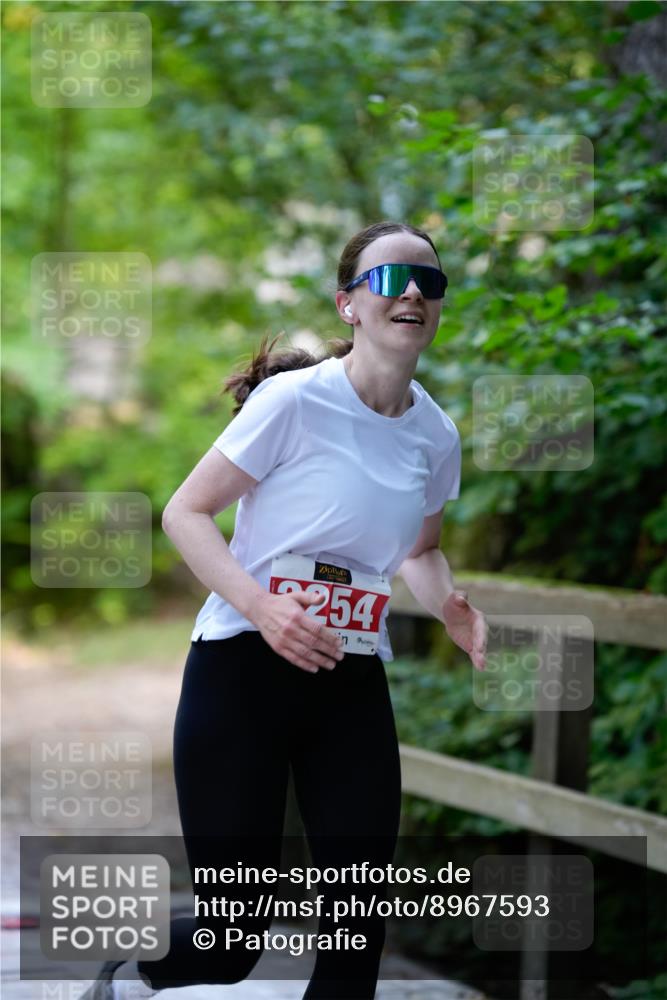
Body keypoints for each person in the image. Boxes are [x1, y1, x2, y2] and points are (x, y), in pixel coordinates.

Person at [83, 221, 487, 1000]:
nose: (411, 291)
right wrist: (263, 608)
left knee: (354, 937)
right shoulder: (294, 401)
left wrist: (448, 607)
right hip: (242, 671)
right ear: (348, 304)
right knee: (233, 938)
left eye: (429, 281)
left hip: (349, 679)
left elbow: (421, 549)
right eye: (388, 278)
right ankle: (131, 975)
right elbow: (184, 513)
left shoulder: (435, 435)